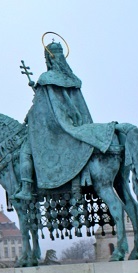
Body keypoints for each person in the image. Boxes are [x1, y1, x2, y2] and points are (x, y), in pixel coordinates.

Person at [17, 40, 117, 198]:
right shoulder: (73, 79)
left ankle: (26, 189)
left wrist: (28, 116)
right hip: (77, 125)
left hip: (55, 129)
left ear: (49, 59)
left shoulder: (46, 78)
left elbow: (40, 112)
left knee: (25, 151)